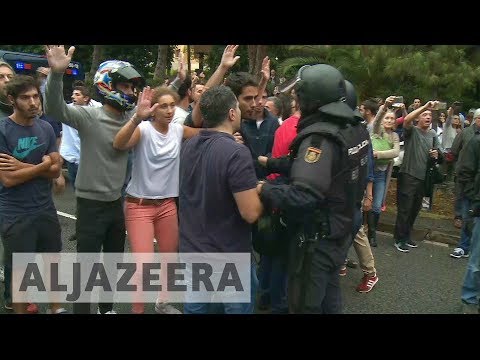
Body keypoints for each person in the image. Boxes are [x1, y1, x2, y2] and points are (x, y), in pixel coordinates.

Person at [257, 64, 369, 313]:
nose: (295, 98)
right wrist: (272, 162)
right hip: (342, 227)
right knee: (330, 296)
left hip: (317, 240)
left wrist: (264, 189)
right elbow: (325, 169)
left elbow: (303, 196)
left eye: (299, 94)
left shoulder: (319, 138)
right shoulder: (354, 127)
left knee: (305, 303)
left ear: (311, 99)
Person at [44, 45, 145, 314]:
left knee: (113, 263)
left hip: (115, 203)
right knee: (86, 269)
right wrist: (57, 73)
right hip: (89, 206)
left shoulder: (131, 118)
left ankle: (107, 308)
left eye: (132, 88)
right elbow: (54, 108)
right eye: (125, 86)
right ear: (108, 85)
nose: (131, 93)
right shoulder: (90, 115)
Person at [113, 86, 202, 314]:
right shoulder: (143, 129)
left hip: (167, 206)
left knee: (170, 260)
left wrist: (229, 134)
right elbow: (119, 144)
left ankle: (162, 302)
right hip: (138, 205)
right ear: (153, 109)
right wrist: (135, 118)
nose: (170, 110)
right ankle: (137, 310)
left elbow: (205, 133)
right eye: (163, 106)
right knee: (143, 266)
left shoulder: (178, 131)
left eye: (172, 105)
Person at [179, 85, 263, 314]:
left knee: (195, 308)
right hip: (229, 254)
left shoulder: (188, 146)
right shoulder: (236, 153)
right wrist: (262, 192)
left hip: (192, 250)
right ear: (231, 113)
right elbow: (250, 212)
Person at [0, 75, 66, 314]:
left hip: (45, 208)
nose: (33, 103)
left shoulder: (45, 127)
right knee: (20, 271)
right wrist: (41, 167)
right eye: (25, 98)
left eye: (36, 96)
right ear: (11, 100)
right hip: (15, 212)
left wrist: (23, 167)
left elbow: (57, 169)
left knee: (53, 263)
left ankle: (56, 308)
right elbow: (8, 179)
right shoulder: (3, 130)